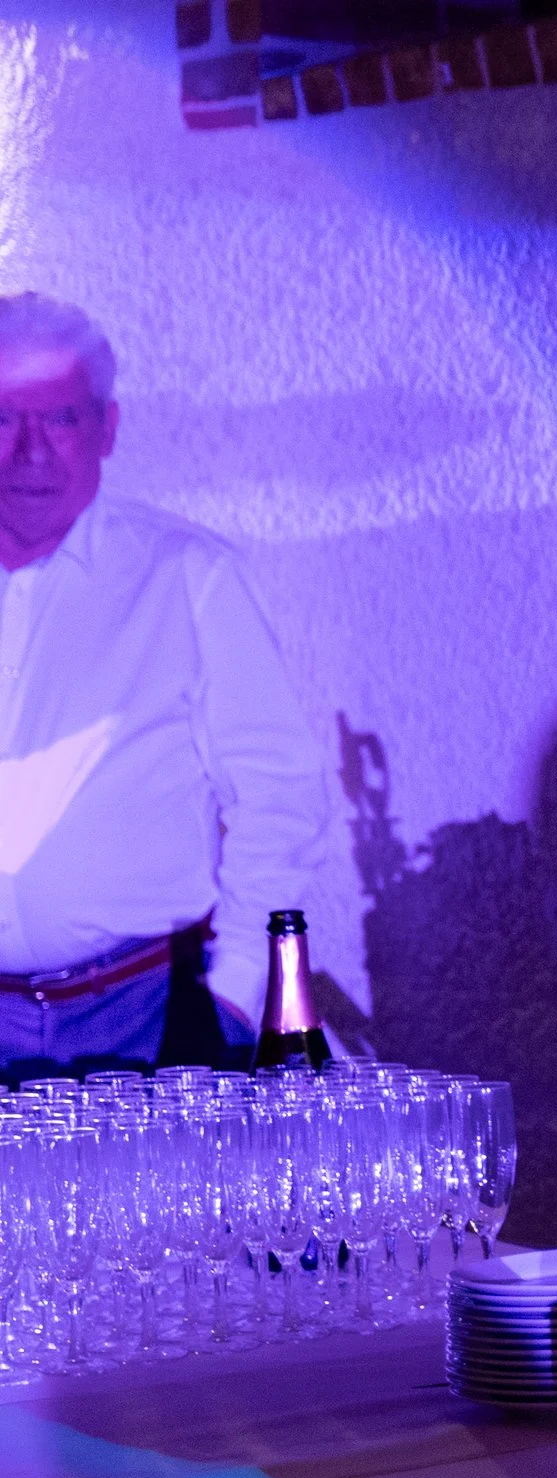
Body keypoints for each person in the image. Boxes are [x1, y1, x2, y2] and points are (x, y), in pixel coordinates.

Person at [0, 293, 328, 1084]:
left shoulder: (188, 579)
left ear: (107, 430)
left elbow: (279, 794)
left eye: (63, 420)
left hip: (140, 1023)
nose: (30, 451)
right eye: (5, 419)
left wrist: (235, 999)